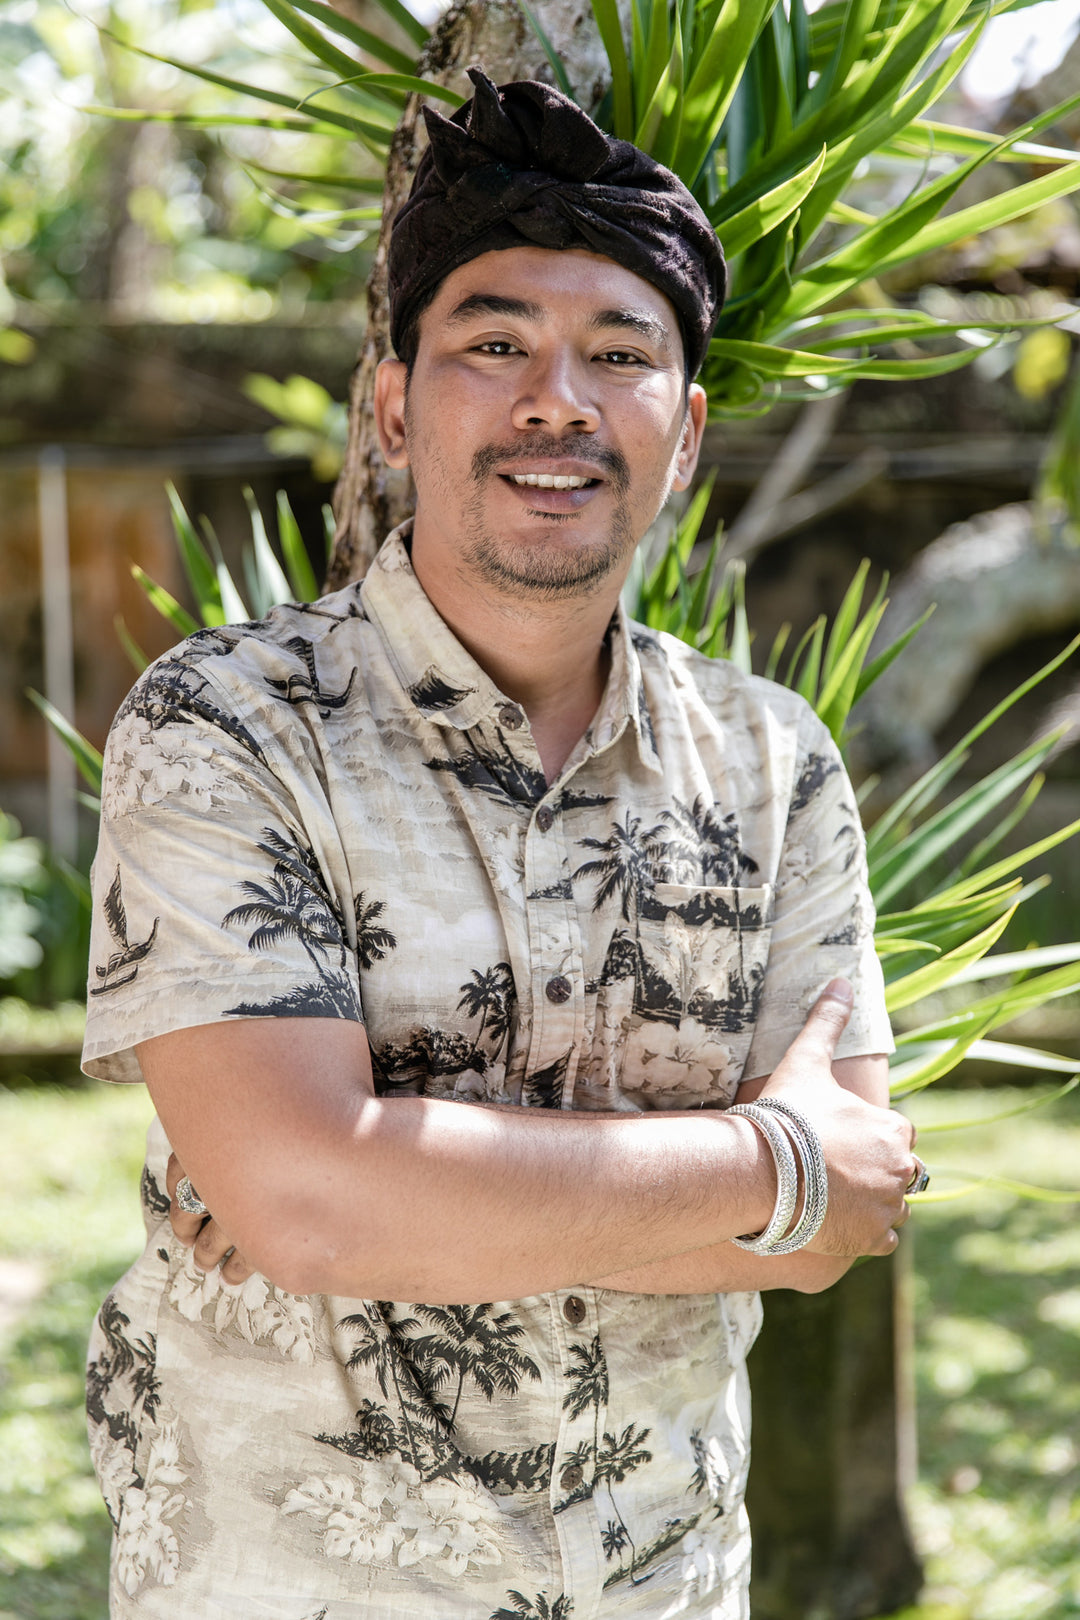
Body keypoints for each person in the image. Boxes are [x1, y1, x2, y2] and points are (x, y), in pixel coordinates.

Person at [82, 70, 919, 1620]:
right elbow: (317, 1206)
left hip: (667, 1583)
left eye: (621, 353)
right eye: (493, 344)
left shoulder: (772, 768)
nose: (560, 399)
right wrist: (764, 1163)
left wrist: (386, 1187)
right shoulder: (231, 729)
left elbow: (843, 1223)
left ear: (684, 435)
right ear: (395, 408)